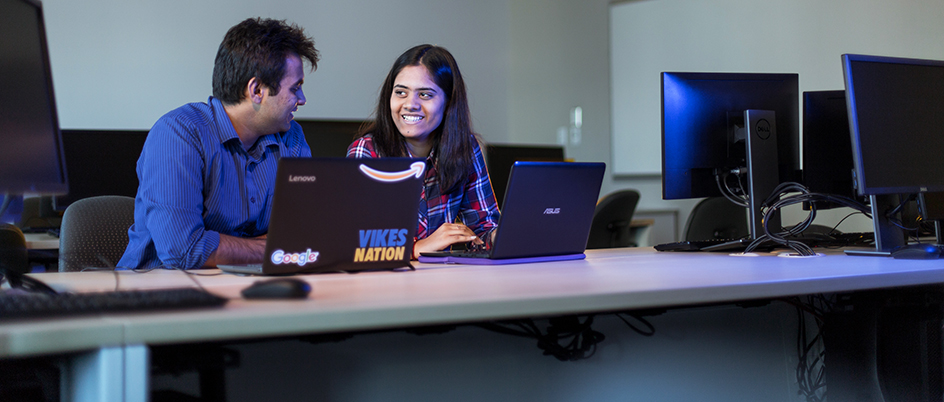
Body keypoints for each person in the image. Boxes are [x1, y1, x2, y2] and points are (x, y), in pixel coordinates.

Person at [117, 18, 320, 270]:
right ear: (256, 90)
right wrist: (275, 247)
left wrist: (227, 248)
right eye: (295, 88)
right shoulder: (179, 134)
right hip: (159, 298)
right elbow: (184, 251)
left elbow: (308, 237)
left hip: (248, 293)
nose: (302, 99)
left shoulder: (292, 139)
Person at [347, 44, 500, 259]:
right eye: (401, 92)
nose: (410, 104)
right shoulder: (367, 151)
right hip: (382, 282)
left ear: (448, 103)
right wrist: (417, 248)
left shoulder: (465, 148)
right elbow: (355, 240)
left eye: (425, 95)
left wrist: (503, 235)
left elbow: (484, 227)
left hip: (440, 282)